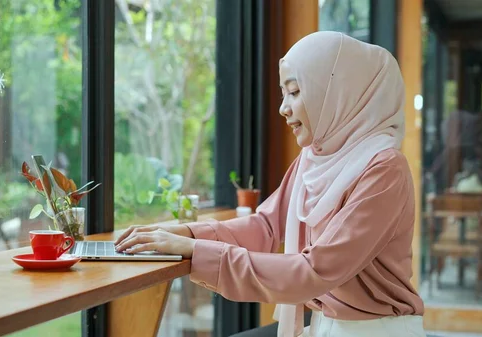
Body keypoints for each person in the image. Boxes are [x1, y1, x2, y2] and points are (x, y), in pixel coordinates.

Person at [115, 31, 425, 337]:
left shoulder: (385, 170)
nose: (283, 108)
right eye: (283, 93)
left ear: (336, 92)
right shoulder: (312, 160)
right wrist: (182, 233)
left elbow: (314, 270)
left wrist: (195, 250)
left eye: (295, 92)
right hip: (323, 325)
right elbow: (265, 226)